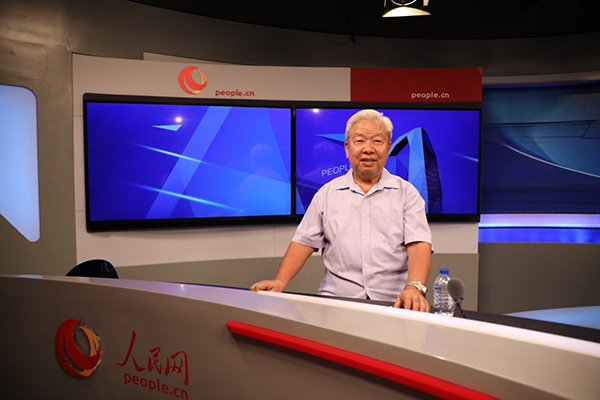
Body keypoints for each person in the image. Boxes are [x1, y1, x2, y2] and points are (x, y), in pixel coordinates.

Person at [250, 109, 432, 312]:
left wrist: (414, 288)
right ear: (347, 148)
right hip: (336, 302)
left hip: (394, 302)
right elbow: (303, 243)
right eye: (360, 141)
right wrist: (280, 281)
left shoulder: (407, 193)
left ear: (388, 148)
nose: (368, 149)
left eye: (377, 141)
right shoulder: (327, 194)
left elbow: (419, 243)